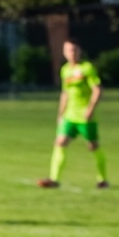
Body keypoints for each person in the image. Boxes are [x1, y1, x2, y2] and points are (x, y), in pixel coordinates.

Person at [37, 39, 109, 190]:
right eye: (69, 50)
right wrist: (60, 114)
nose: (72, 53)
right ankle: (54, 179)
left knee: (93, 146)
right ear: (64, 53)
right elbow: (65, 93)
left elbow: (97, 89)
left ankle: (102, 179)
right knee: (60, 142)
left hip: (85, 116)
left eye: (75, 50)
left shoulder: (87, 68)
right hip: (70, 115)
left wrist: (90, 109)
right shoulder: (65, 70)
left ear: (80, 51)